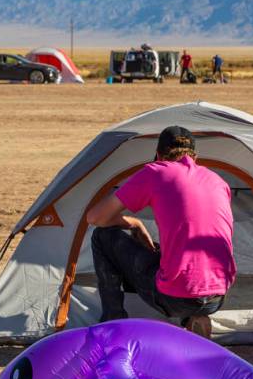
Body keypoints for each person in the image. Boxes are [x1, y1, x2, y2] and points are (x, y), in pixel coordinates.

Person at [86, 126, 236, 338]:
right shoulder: (218, 181)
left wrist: (135, 224)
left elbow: (95, 217)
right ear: (196, 157)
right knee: (174, 256)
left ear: (158, 155)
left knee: (102, 237)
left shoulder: (155, 172)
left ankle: (113, 324)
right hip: (217, 296)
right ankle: (194, 317)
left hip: (175, 298)